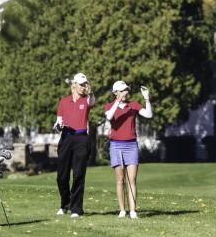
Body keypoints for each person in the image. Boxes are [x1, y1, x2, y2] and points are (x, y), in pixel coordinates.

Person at [104, 81, 152, 219]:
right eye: (122, 90)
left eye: (126, 90)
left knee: (132, 179)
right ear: (115, 93)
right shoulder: (109, 106)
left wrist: (147, 99)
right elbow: (109, 116)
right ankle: (122, 210)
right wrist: (117, 101)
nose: (125, 92)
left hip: (131, 145)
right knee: (120, 180)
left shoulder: (133, 105)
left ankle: (132, 211)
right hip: (116, 145)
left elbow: (148, 115)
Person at [54, 72, 94, 218]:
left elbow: (93, 101)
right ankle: (65, 204)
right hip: (66, 138)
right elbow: (58, 122)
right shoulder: (64, 101)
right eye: (81, 84)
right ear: (74, 85)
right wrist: (59, 126)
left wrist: (91, 91)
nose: (84, 87)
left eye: (85, 84)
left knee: (78, 174)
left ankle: (76, 209)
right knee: (61, 176)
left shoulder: (87, 100)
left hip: (81, 139)